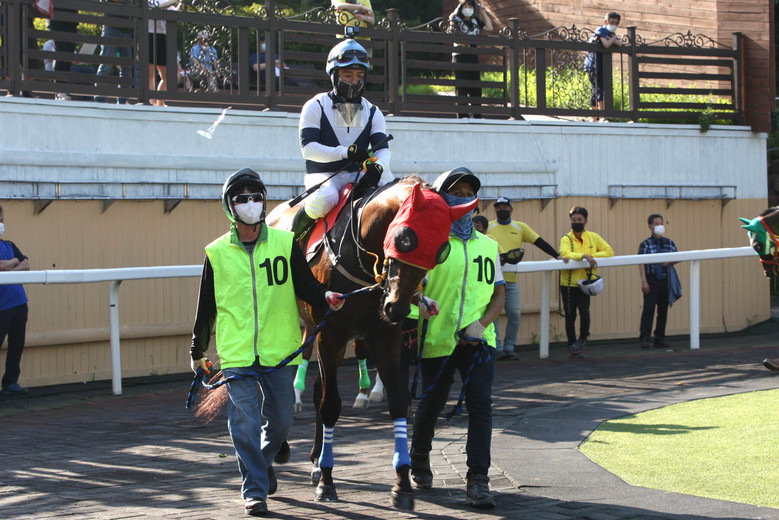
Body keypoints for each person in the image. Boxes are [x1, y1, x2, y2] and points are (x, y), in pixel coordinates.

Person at [189, 168, 346, 516]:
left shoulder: (285, 243)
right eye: (242, 199)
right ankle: (255, 491)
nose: (251, 203)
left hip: (279, 350)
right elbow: (206, 307)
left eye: (256, 197)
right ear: (230, 207)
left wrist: (326, 296)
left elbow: (306, 286)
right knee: (243, 422)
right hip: (237, 354)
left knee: (281, 422)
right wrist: (197, 350)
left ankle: (259, 465)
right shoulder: (216, 253)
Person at [410, 167, 505, 510]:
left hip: (479, 340)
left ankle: (478, 479)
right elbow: (409, 289)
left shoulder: (489, 246)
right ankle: (419, 456)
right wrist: (419, 301)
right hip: (437, 339)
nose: (463, 199)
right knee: (432, 403)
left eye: (469, 194)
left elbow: (499, 294)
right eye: (456, 193)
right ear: (440, 198)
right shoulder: (427, 241)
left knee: (480, 406)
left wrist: (482, 325)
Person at [292, 33, 392, 239]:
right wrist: (346, 152)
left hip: (359, 174)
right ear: (334, 75)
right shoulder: (315, 105)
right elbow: (308, 149)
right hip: (324, 175)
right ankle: (293, 238)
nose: (354, 81)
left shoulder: (373, 111)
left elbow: (382, 149)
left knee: (391, 196)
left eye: (359, 75)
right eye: (347, 75)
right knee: (327, 198)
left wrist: (379, 166)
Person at [487, 196, 564, 361]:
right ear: (495, 209)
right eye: (499, 207)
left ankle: (509, 347)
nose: (502, 210)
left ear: (511, 209)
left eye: (505, 207)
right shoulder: (489, 227)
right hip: (492, 280)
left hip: (511, 280)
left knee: (514, 314)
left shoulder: (520, 227)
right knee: (493, 315)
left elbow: (539, 241)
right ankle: (496, 348)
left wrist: (557, 255)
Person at [559, 206, 613, 356]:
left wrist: (592, 257)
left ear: (586, 221)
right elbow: (565, 253)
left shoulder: (593, 237)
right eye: (574, 219)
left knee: (584, 312)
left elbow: (609, 251)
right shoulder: (566, 238)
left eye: (580, 219)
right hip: (568, 283)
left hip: (585, 283)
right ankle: (571, 344)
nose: (576, 222)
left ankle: (583, 338)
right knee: (570, 315)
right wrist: (583, 256)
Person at [447, 0, 496, 119]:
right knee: (461, 87)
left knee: (475, 86)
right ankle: (462, 115)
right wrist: (458, 8)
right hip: (459, 56)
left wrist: (484, 13)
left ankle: (476, 115)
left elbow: (489, 27)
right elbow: (450, 22)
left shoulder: (475, 21)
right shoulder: (456, 19)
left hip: (473, 56)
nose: (467, 8)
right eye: (465, 6)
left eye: (470, 6)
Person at [0, 206, 30, 396]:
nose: (2, 222)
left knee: (17, 344)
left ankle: (11, 382)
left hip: (19, 302)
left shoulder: (9, 244)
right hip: (2, 305)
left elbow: (26, 263)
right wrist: (12, 262)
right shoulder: (10, 251)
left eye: (2, 218)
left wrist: (8, 267)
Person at [638, 214, 678, 349]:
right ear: (650, 226)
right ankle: (645, 338)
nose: (660, 226)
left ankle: (659, 338)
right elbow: (641, 263)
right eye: (656, 224)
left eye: (661, 223)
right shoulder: (645, 244)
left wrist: (669, 262)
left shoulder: (669, 242)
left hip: (665, 279)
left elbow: (678, 257)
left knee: (663, 310)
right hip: (651, 279)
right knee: (648, 309)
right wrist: (644, 281)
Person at [583, 11, 622, 122]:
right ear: (606, 22)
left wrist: (614, 39)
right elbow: (606, 44)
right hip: (593, 64)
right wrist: (613, 39)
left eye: (616, 23)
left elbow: (620, 43)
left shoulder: (610, 33)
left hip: (601, 65)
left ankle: (595, 116)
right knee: (598, 88)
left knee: (599, 89)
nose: (614, 25)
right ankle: (601, 116)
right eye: (611, 22)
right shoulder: (601, 30)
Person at [94, 0, 134, 104]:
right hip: (111, 26)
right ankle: (100, 97)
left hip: (128, 28)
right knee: (106, 65)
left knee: (127, 69)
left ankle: (123, 100)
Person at [147, 0, 180, 106]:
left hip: (161, 37)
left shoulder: (167, 4)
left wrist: (180, 4)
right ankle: (151, 101)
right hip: (149, 34)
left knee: (165, 76)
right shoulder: (151, 2)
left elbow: (175, 12)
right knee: (149, 74)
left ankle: (159, 102)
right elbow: (158, 6)